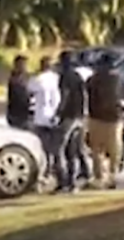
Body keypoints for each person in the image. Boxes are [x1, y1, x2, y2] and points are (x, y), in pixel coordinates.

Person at [85, 53, 124, 189]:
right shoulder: (118, 79)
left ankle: (99, 176)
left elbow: (88, 94)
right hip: (114, 117)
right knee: (115, 148)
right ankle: (112, 175)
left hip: (96, 117)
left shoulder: (92, 80)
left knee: (97, 149)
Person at [54, 51, 90, 192]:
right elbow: (84, 95)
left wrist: (58, 112)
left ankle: (63, 181)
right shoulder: (78, 76)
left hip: (68, 116)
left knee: (59, 149)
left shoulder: (65, 77)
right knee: (74, 149)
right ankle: (74, 181)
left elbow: (65, 95)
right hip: (80, 116)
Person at [27, 56, 61, 180]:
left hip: (40, 117)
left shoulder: (36, 80)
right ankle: (55, 170)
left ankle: (46, 170)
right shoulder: (57, 78)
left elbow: (29, 93)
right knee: (56, 147)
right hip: (55, 116)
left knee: (42, 147)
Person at [7, 55, 31, 129]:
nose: (25, 67)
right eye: (23, 64)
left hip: (24, 112)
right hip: (16, 114)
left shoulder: (24, 77)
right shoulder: (15, 78)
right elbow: (20, 95)